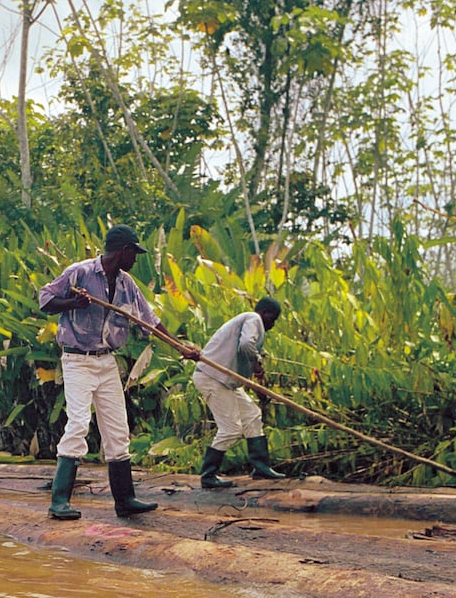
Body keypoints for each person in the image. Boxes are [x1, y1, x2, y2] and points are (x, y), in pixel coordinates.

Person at [38, 223, 200, 520]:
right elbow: (45, 299)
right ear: (123, 251)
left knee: (117, 429)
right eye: (134, 253)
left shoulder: (126, 284)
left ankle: (125, 500)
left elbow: (149, 321)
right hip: (77, 360)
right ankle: (59, 501)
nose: (136, 260)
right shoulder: (81, 272)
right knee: (78, 423)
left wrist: (181, 348)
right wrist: (74, 302)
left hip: (105, 360)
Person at [192, 297, 286, 488]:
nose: (273, 324)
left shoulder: (248, 322)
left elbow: (241, 358)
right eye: (273, 319)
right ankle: (208, 475)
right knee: (231, 428)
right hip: (213, 378)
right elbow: (245, 345)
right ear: (265, 313)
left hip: (225, 381)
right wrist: (257, 362)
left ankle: (261, 467)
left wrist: (256, 374)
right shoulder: (254, 319)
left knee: (252, 415)